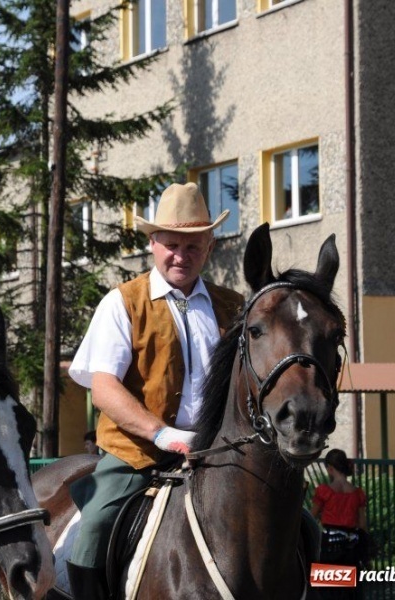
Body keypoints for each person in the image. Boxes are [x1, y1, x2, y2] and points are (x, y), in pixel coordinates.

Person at [66, 182, 243, 600]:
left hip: (218, 451)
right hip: (138, 452)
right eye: (171, 245)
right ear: (153, 243)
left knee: (303, 526)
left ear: (210, 245)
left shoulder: (233, 306)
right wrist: (162, 433)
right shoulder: (122, 302)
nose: (181, 255)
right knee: (91, 532)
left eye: (193, 246)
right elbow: (104, 387)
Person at [311, 449, 369, 569]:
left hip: (329, 544)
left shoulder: (324, 491)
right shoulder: (358, 493)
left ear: (330, 468)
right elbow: (362, 524)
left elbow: (312, 518)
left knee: (327, 584)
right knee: (348, 585)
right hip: (351, 544)